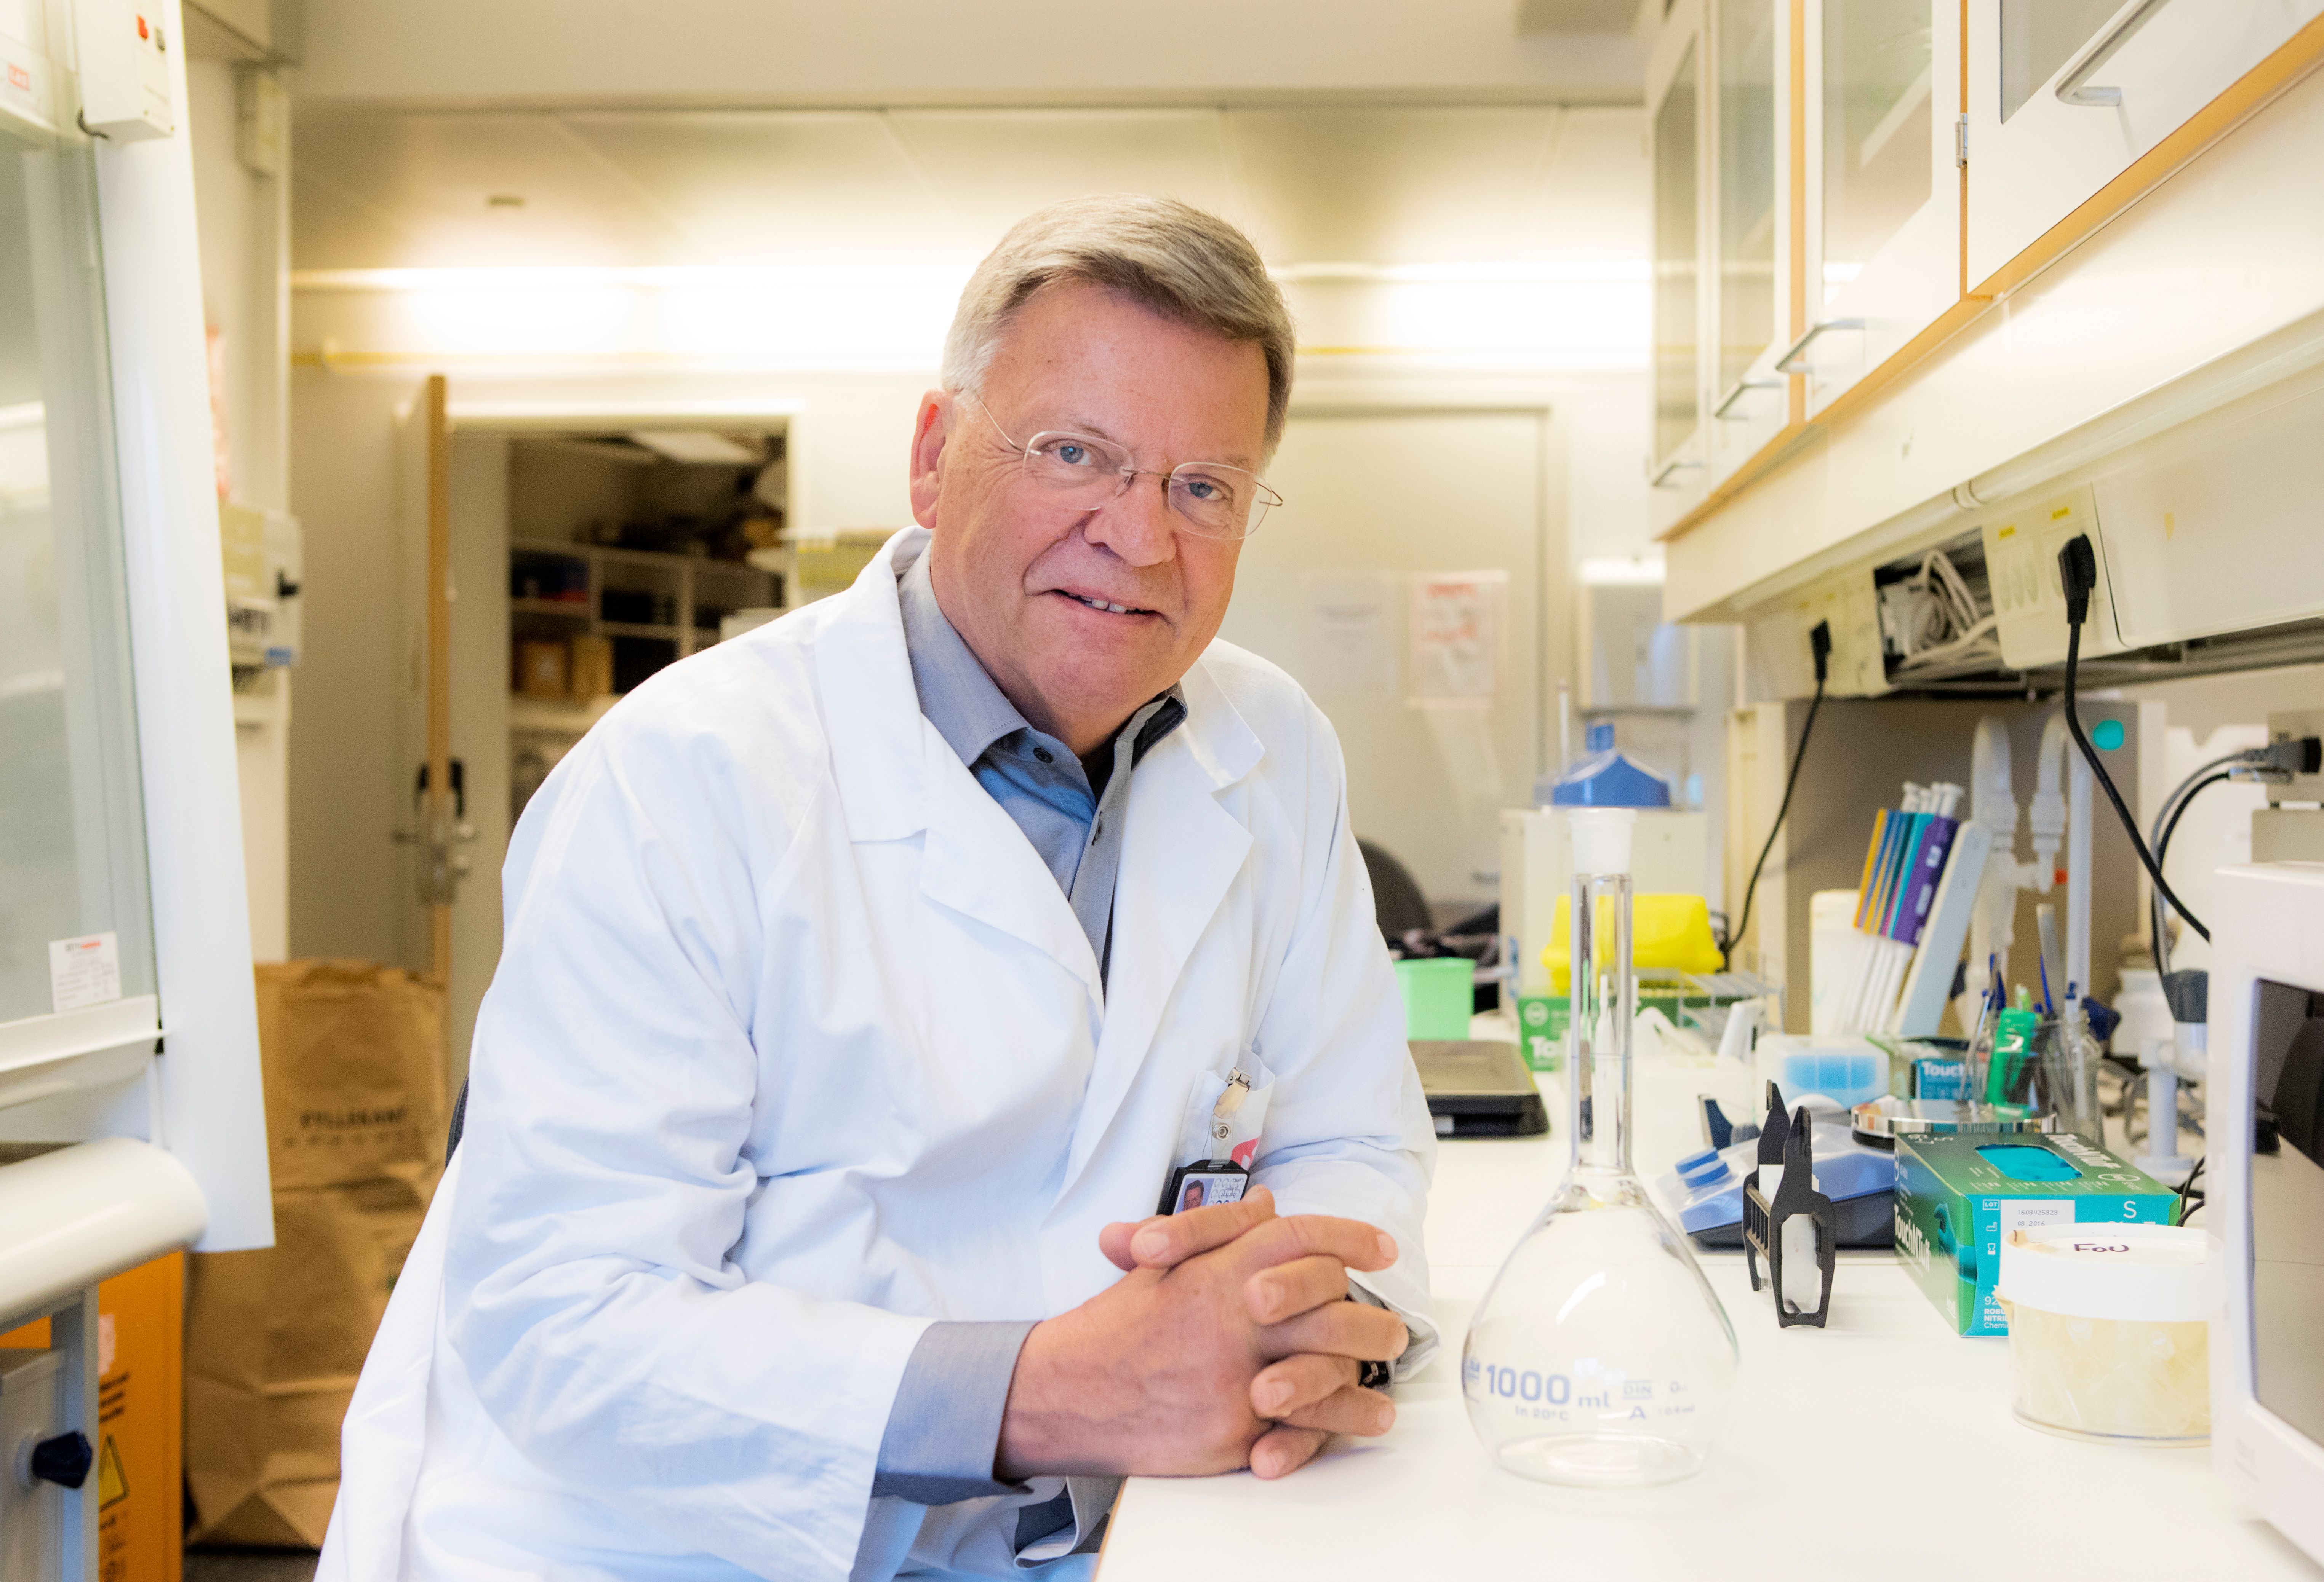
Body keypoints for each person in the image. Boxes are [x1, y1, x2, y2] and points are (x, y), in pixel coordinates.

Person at [318, 195, 1436, 1582]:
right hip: (679, 1552)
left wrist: (1293, 1340)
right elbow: (566, 1319)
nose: (1142, 538)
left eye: (1204, 487)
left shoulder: (1274, 749)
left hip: (1109, 1530)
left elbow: (1353, 1139)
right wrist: (1046, 1390)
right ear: (932, 458)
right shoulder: (680, 777)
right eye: (1075, 454)